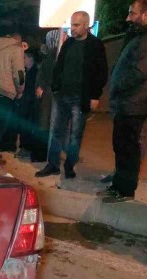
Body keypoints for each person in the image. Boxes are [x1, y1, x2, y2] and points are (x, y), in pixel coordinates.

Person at [102, 0, 147, 203]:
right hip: (128, 102)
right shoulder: (142, 36)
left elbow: (140, 72)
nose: (128, 18)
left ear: (145, 15)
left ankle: (125, 190)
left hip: (134, 103)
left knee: (128, 149)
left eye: (132, 13)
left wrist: (118, 84)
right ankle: (119, 185)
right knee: (121, 146)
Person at [35, 11, 108, 179]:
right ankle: (53, 165)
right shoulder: (68, 43)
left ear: (86, 25)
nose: (72, 28)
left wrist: (95, 95)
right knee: (55, 132)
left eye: (76, 25)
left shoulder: (95, 45)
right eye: (72, 24)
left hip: (80, 97)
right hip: (61, 95)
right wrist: (55, 87)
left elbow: (101, 72)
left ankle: (69, 166)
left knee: (75, 135)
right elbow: (59, 66)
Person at [34, 29, 68, 163]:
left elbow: (43, 74)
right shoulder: (54, 54)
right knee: (52, 124)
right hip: (51, 95)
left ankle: (44, 154)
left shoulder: (50, 55)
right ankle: (48, 154)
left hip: (48, 96)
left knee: (46, 124)